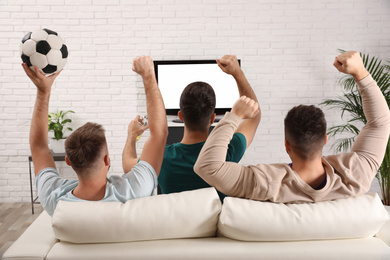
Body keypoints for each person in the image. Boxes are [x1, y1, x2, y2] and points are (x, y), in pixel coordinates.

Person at [194, 51, 390, 203]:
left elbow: (207, 167)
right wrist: (360, 72)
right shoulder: (355, 176)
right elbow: (380, 124)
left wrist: (234, 115)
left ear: (287, 145)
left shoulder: (264, 184)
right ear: (325, 140)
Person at [24, 56, 168, 216]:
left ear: (68, 161)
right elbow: (159, 134)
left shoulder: (54, 199)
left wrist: (43, 91)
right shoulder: (135, 191)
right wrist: (148, 74)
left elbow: (39, 147)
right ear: (107, 160)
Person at [157, 55, 260, 201]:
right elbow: (254, 116)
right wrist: (238, 74)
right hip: (216, 224)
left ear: (180, 116)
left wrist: (132, 135)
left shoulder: (161, 157)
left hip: (176, 224)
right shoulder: (227, 151)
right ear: (213, 118)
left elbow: (128, 165)